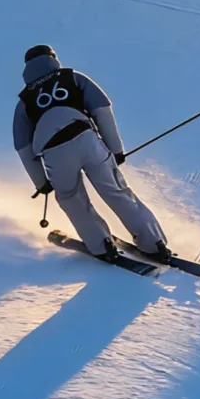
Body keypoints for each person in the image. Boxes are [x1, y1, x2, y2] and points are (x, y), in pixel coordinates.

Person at [13, 45, 170, 264]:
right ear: (52, 59)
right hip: (86, 140)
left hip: (53, 152)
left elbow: (23, 147)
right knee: (117, 191)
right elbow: (102, 111)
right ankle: (155, 244)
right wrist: (115, 151)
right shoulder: (73, 78)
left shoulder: (24, 101)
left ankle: (100, 244)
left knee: (71, 197)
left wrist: (41, 182)